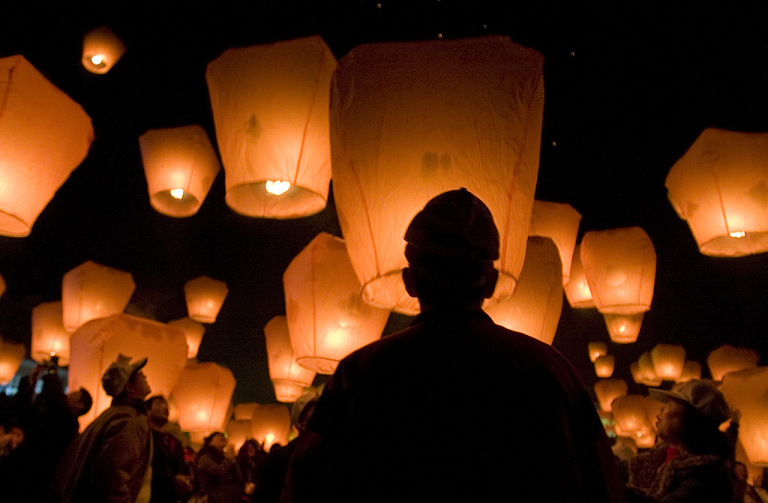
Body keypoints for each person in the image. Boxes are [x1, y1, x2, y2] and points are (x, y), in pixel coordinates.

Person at [281, 188, 625, 502]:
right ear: (489, 282)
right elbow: (603, 484)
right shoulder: (553, 371)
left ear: (410, 281)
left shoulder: (359, 373)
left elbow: (306, 484)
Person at [54, 354, 153, 503]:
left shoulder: (112, 416)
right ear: (129, 388)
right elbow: (112, 475)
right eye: (138, 374)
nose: (144, 375)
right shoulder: (129, 420)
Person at [627, 379, 736, 503]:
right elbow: (620, 469)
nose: (661, 411)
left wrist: (623, 494)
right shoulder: (659, 458)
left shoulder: (708, 476)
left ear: (691, 420)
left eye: (669, 405)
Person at [146, 395, 193, 503]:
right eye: (159, 404)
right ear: (147, 410)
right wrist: (173, 479)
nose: (166, 408)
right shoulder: (144, 436)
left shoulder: (170, 440)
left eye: (167, 405)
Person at [194, 431, 241, 503]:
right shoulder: (205, 457)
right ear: (210, 442)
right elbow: (218, 471)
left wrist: (233, 460)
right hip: (213, 499)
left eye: (222, 436)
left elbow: (238, 477)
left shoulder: (223, 457)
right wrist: (228, 459)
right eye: (217, 435)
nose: (221, 436)